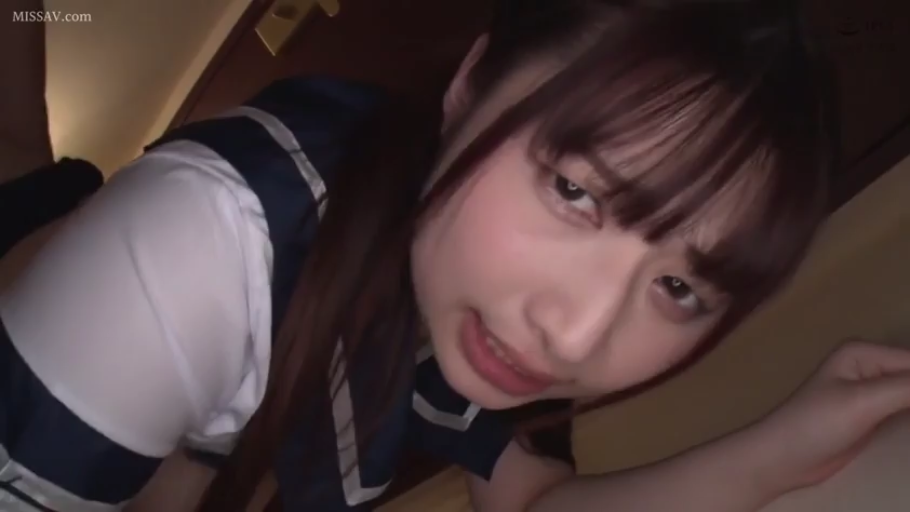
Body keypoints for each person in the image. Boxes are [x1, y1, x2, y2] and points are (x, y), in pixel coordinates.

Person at [3, 1, 910, 511]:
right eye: (576, 191)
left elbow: (529, 501)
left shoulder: (456, 298)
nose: (575, 337)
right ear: (471, 84)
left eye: (677, 285)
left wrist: (790, 448)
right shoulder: (204, 241)